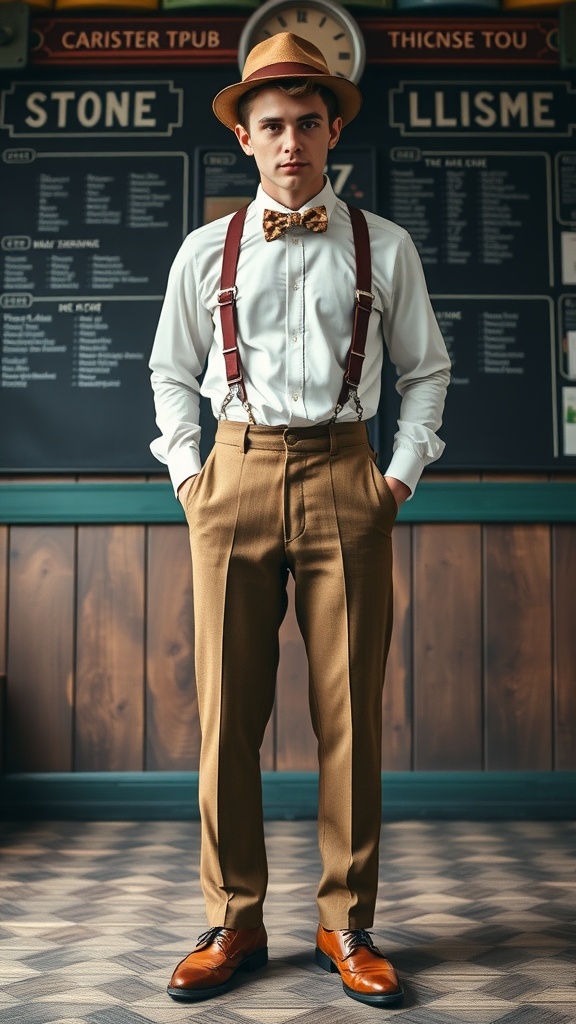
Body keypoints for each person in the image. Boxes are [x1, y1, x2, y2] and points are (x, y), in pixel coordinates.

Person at [149, 31, 450, 1009]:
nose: (290, 142)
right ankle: (233, 917)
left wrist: (396, 476)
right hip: (232, 477)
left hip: (346, 474)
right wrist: (192, 473)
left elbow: (429, 371)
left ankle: (345, 922)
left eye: (307, 123)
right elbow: (168, 372)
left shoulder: (385, 245)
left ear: (330, 132)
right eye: (271, 125)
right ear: (244, 136)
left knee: (350, 717)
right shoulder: (206, 251)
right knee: (229, 713)